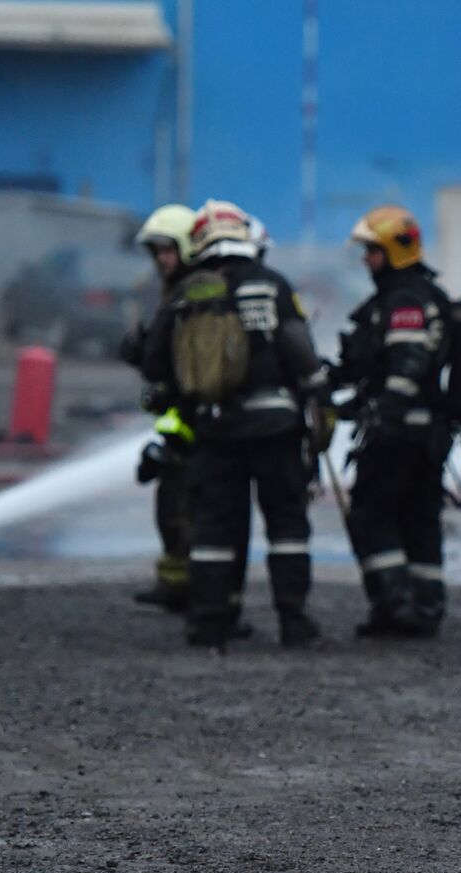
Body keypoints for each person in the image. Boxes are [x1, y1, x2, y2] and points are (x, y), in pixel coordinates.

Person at [142, 199, 330, 649]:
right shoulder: (272, 285)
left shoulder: (189, 292)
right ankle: (293, 620)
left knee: (215, 530)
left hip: (215, 431)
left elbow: (155, 363)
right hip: (277, 429)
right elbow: (300, 352)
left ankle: (211, 621)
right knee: (286, 526)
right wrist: (321, 402)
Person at [334, 206, 453, 637]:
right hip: (426, 432)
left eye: (372, 251)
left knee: (371, 513)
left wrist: (383, 413)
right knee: (419, 518)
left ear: (394, 251)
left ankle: (397, 605)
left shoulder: (405, 299)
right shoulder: (417, 294)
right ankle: (426, 605)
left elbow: (408, 364)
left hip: (400, 432)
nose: (367, 260)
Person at [122, 204, 197, 611]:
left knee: (187, 509)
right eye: (157, 252)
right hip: (176, 420)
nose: (162, 259)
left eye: (169, 250)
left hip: (196, 423)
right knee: (170, 506)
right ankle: (175, 584)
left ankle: (194, 589)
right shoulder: (172, 293)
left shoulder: (194, 294)